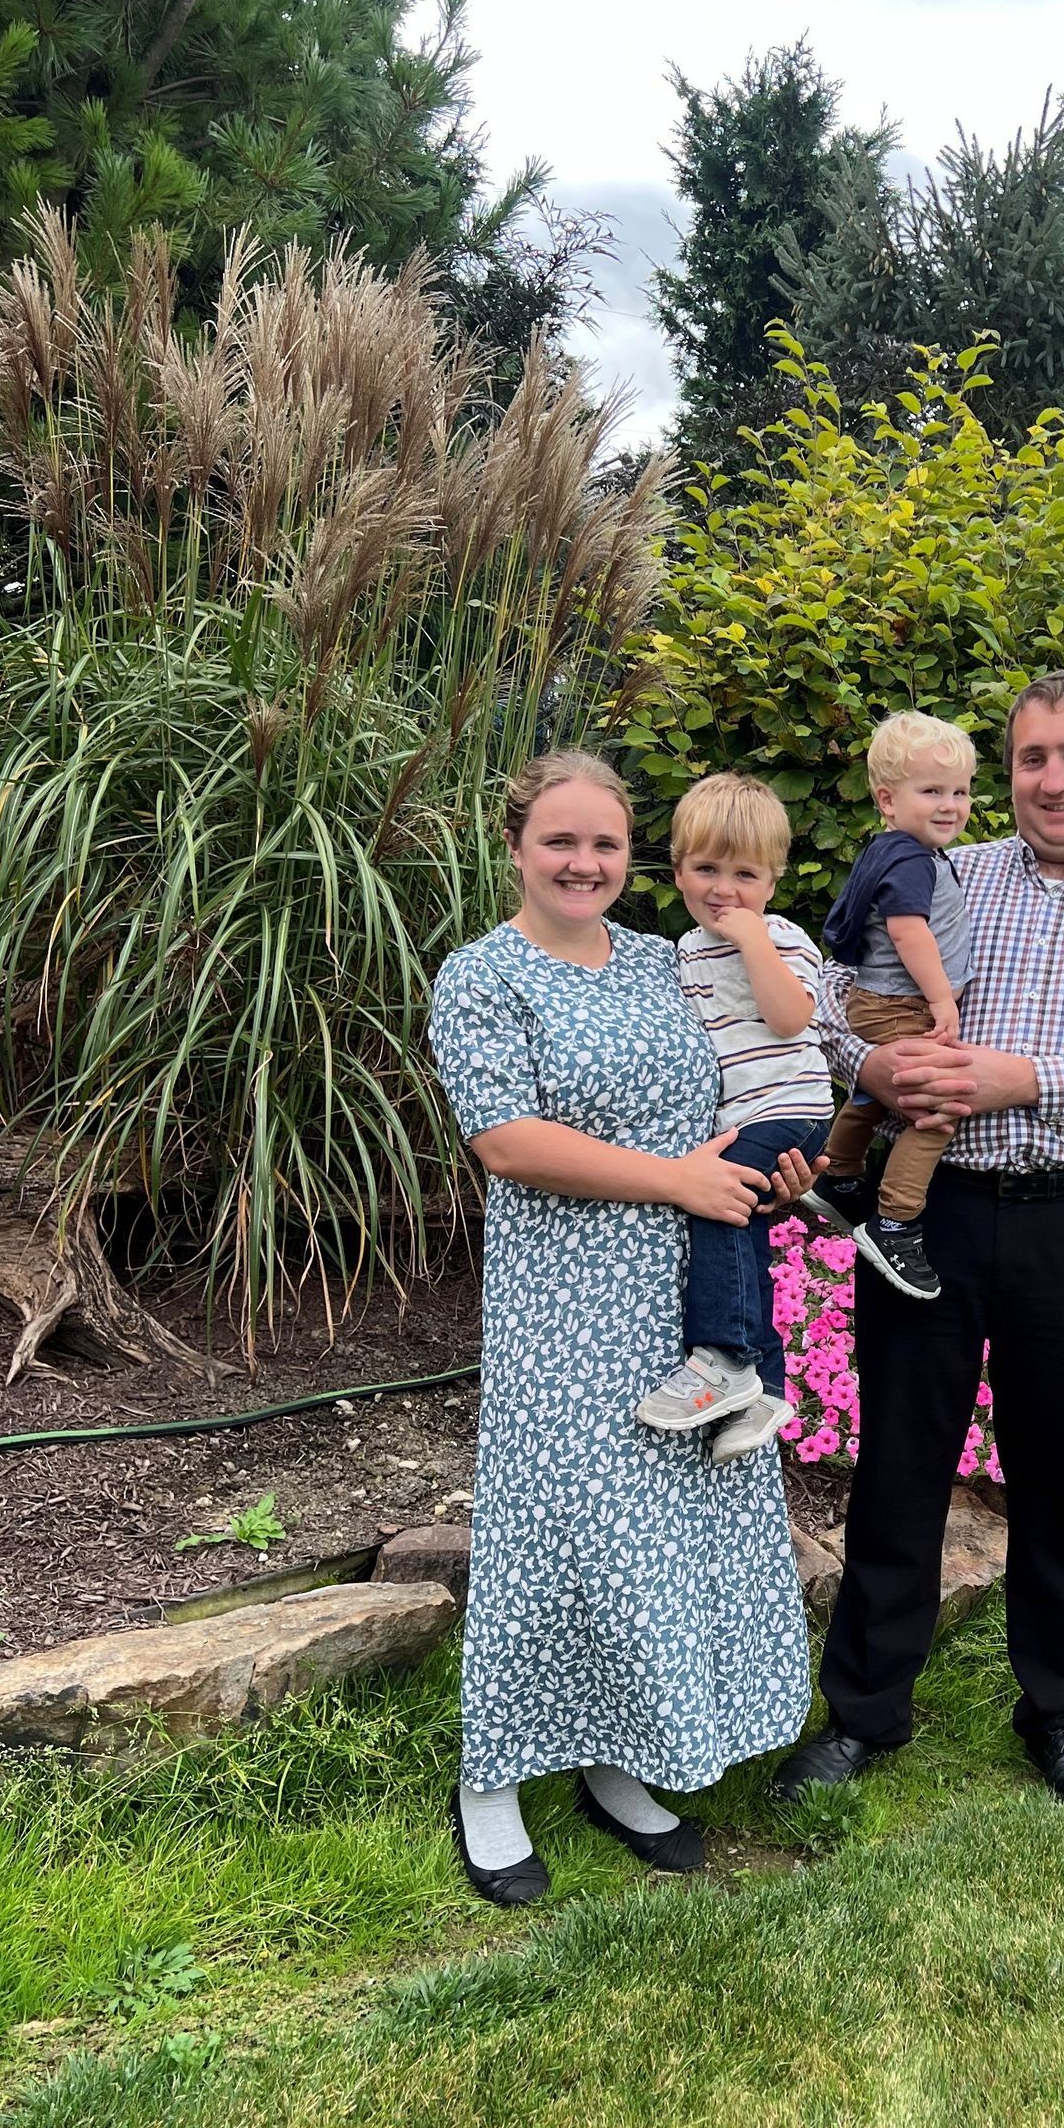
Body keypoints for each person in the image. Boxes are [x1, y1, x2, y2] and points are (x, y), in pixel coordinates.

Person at [774, 670, 1064, 1810]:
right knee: (899, 1469)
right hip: (932, 1216)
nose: (1052, 778)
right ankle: (865, 1714)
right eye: (1031, 759)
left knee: (1058, 1476)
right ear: (1007, 774)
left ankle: (1061, 1713)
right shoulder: (941, 868)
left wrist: (1021, 1078)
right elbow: (824, 989)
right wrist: (872, 1065)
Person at [428, 751, 818, 1898]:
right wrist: (676, 1180)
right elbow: (505, 1139)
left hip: (693, 1291)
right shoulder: (484, 976)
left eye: (604, 844)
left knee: (660, 1532)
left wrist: (775, 1166)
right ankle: (491, 1776)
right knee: (554, 1532)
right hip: (566, 1298)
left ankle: (615, 1757)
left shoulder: (670, 962)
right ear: (515, 847)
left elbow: (762, 1069)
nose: (584, 863)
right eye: (560, 842)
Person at [633, 772, 835, 1463]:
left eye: (744, 873)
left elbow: (791, 1017)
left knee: (717, 1207)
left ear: (773, 881)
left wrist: (753, 938)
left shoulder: (783, 936)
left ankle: (725, 1357)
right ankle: (768, 1387)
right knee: (742, 1223)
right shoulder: (685, 952)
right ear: (679, 871)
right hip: (746, 1116)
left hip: (789, 1107)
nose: (724, 889)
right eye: (706, 868)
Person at [817, 711, 976, 1301]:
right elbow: (910, 932)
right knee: (937, 1111)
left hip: (874, 1004)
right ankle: (895, 1222)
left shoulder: (891, 850)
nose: (949, 804)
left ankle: (838, 1173)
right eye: (931, 791)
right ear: (887, 798)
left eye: (959, 791)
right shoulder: (911, 858)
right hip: (901, 1004)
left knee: (869, 1088)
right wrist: (941, 999)